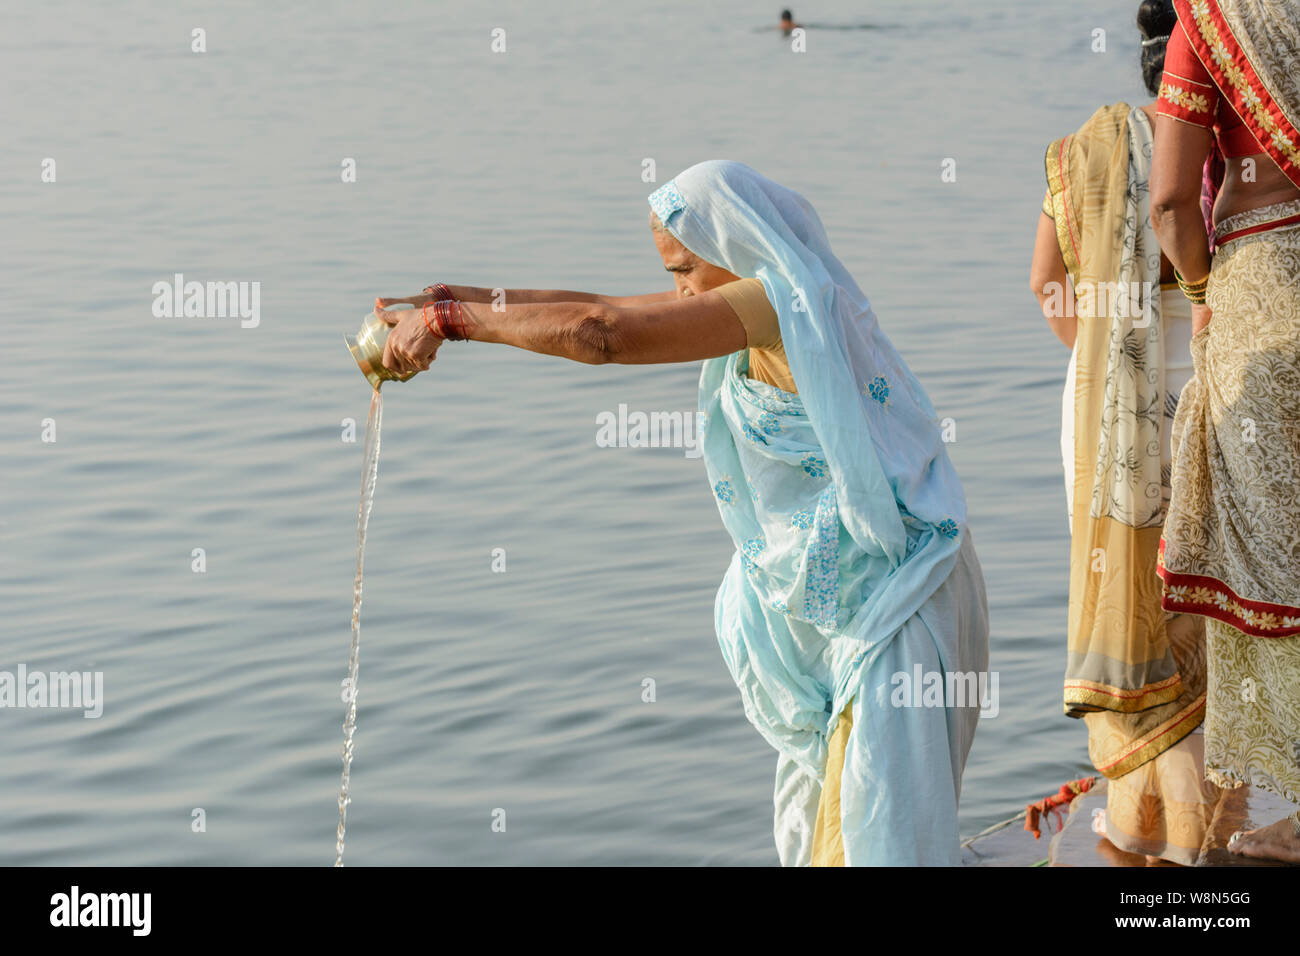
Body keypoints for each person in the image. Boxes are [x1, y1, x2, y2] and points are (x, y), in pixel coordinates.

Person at [374, 161, 989, 865]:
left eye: (686, 270)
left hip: (898, 607)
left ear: (737, 246)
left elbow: (602, 333)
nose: (678, 292)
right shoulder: (772, 295)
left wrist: (452, 323)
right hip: (878, 598)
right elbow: (603, 303)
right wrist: (451, 295)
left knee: (877, 841)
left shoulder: (779, 300)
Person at [1030, 0, 1221, 866]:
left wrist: (1111, 364)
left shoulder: (1082, 151)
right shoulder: (1231, 151)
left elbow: (1046, 286)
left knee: (1128, 600)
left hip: (1098, 410)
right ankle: (1188, 848)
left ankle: (1133, 822)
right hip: (1199, 393)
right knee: (1194, 617)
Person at [1150, 0, 1300, 864]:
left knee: (1274, 560)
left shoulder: (1208, 20)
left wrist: (1204, 299)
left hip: (1265, 295)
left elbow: (1173, 199)